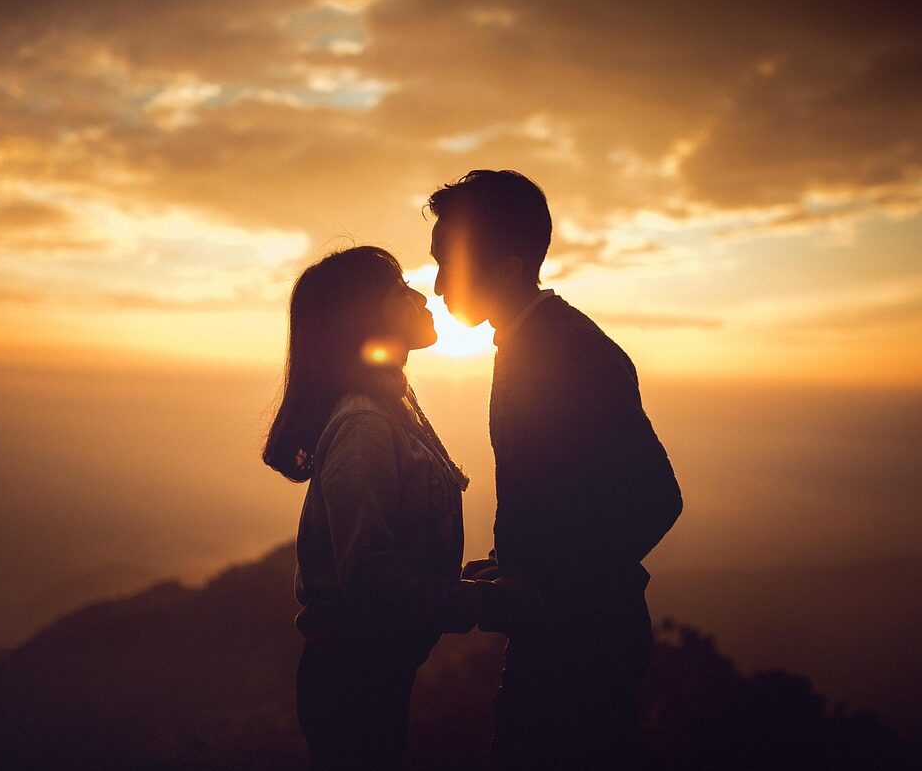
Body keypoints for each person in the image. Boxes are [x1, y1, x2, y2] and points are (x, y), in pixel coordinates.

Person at [427, 170, 684, 768]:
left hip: (584, 650)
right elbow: (569, 494)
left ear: (509, 269)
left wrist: (547, 587)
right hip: (566, 637)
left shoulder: (568, 352)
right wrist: (515, 564)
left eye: (448, 266)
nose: (436, 286)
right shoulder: (530, 343)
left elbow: (657, 499)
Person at [263, 245, 480, 770]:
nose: (420, 296)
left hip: (366, 678)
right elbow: (371, 582)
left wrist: (469, 582)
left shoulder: (387, 407)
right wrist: (482, 604)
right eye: (400, 289)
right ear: (365, 316)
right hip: (352, 686)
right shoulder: (365, 424)